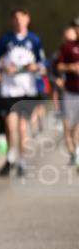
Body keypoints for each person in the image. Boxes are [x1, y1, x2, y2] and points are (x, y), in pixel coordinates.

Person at [0, 8, 46, 177]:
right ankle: (10, 157)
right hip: (9, 89)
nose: (19, 21)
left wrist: (35, 67)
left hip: (27, 90)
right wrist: (4, 67)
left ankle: (22, 161)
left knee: (22, 127)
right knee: (10, 125)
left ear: (28, 19)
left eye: (22, 18)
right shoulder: (6, 39)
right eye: (16, 18)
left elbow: (43, 64)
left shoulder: (34, 40)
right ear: (12, 21)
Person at [55, 23, 79, 169]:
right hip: (69, 92)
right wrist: (72, 67)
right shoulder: (67, 47)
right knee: (68, 126)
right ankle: (73, 153)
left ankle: (77, 152)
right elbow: (57, 66)